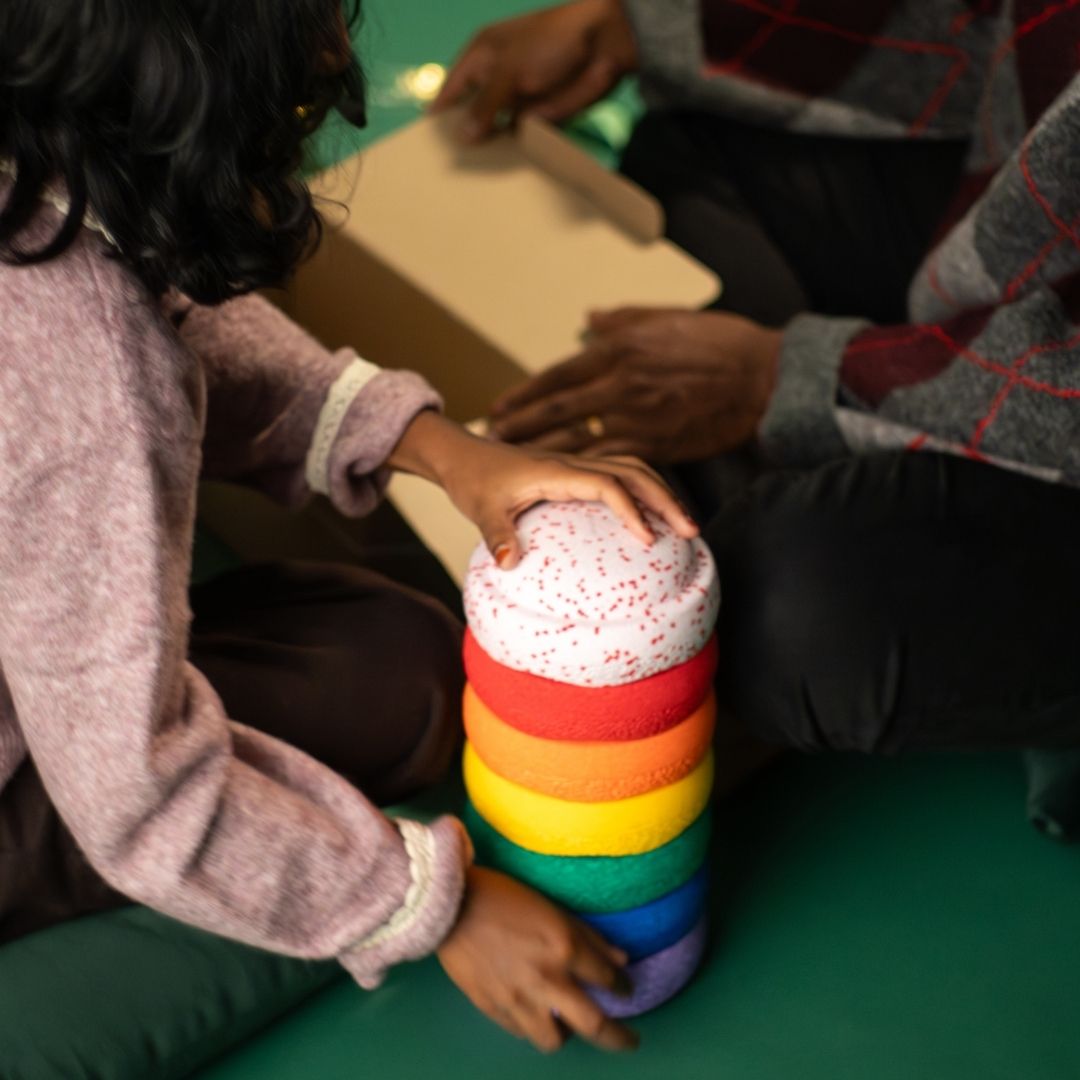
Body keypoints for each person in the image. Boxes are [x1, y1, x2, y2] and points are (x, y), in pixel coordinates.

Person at [0, 0, 708, 1054]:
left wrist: (442, 449)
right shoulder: (89, 380)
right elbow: (133, 800)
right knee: (404, 676)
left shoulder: (41, 160)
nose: (336, 52)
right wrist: (428, 906)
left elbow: (149, 298)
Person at [437, 3, 1080, 774]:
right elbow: (996, 34)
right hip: (1019, 251)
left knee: (790, 609)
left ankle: (782, 525)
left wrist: (795, 376)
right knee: (691, 151)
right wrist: (639, 26)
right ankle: (793, 483)